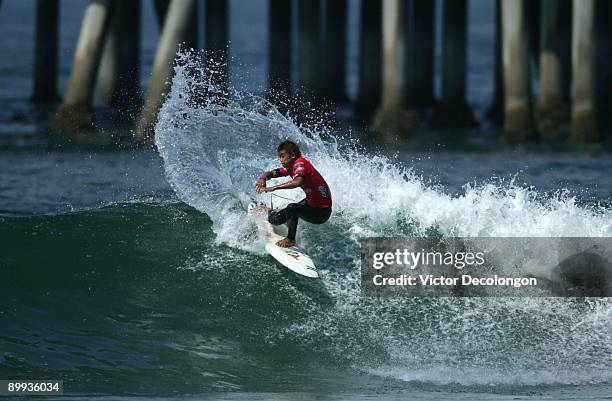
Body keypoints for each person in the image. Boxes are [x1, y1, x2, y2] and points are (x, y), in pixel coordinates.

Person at [255, 140, 332, 248]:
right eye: (279, 157)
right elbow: (271, 173)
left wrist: (274, 187)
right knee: (275, 220)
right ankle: (270, 212)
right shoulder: (291, 167)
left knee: (292, 208)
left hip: (321, 212)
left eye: (282, 156)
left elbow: (298, 181)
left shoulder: (300, 163)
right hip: (311, 204)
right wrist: (262, 178)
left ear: (292, 155)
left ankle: (290, 239)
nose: (280, 160)